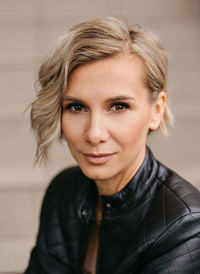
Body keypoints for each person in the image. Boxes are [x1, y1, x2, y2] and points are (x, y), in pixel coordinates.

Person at [24, 17, 200, 274]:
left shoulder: (184, 225)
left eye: (118, 106)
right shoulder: (64, 191)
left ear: (156, 110)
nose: (94, 134)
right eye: (76, 107)